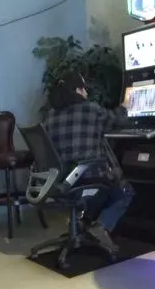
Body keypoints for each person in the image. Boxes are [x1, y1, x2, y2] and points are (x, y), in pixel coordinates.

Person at [44, 70, 134, 250]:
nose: (86, 92)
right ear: (77, 90)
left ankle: (81, 222)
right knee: (125, 192)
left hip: (59, 181)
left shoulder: (51, 115)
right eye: (84, 89)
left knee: (102, 185)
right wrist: (126, 105)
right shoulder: (90, 109)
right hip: (87, 177)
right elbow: (118, 120)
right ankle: (102, 225)